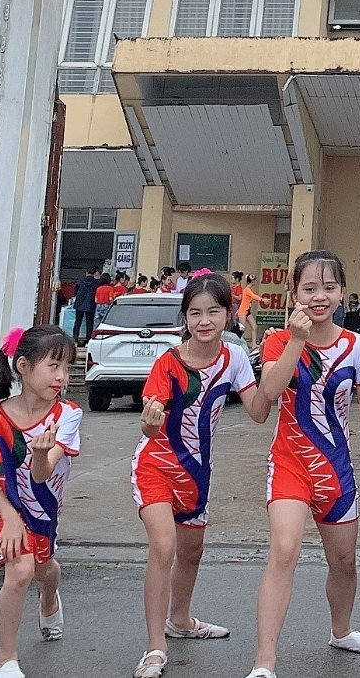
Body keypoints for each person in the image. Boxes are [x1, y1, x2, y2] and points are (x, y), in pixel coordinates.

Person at [245, 249, 360, 678]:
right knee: (284, 550)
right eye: (309, 288)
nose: (319, 296)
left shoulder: (355, 346)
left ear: (342, 292)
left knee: (343, 561)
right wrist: (297, 340)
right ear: (294, 293)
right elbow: (269, 392)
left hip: (336, 470)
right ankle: (265, 661)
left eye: (329, 287)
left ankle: (341, 630)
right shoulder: (278, 340)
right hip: (289, 465)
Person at [129, 271, 264, 678]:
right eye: (195, 313)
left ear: (229, 314)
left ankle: (181, 620)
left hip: (198, 473)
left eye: (213, 312)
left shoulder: (235, 358)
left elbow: (259, 412)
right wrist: (151, 419)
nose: (204, 321)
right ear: (185, 317)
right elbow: (149, 424)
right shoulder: (169, 363)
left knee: (191, 552)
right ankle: (155, 647)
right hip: (156, 466)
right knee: (164, 547)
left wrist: (285, 354)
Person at [0, 324, 82, 678]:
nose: (62, 376)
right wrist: (8, 516)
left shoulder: (68, 415)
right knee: (19, 570)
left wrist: (39, 453)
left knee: (43, 567)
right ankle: (5, 660)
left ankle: (49, 596)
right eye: (53, 366)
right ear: (23, 366)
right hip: (4, 502)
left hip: (44, 505)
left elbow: (42, 474)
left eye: (66, 367)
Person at [72, 266, 102, 344]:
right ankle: (88, 340)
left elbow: (75, 292)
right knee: (89, 323)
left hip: (79, 304)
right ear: (94, 273)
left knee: (78, 322)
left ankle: (75, 338)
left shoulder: (80, 281)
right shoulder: (97, 283)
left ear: (86, 273)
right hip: (91, 304)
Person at [239, 274, 264, 349]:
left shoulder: (247, 289)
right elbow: (253, 296)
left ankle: (254, 344)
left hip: (247, 311)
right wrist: (262, 299)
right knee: (242, 328)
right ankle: (237, 343)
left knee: (254, 326)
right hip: (243, 311)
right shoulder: (247, 289)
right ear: (252, 281)